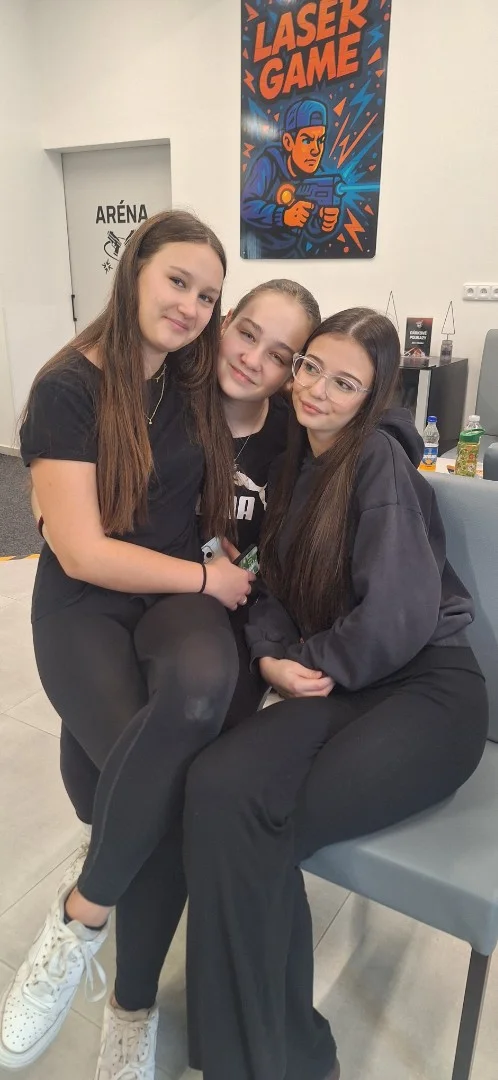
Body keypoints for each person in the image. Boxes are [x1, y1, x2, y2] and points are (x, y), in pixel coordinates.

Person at [3, 273, 320, 1078]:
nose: (252, 359)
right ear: (223, 321)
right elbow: (71, 439)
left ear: (295, 373)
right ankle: (104, 931)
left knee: (167, 791)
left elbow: (359, 439)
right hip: (117, 604)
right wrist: (52, 508)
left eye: (280, 355)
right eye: (245, 331)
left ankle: (123, 994)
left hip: (211, 624)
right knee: (147, 796)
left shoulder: (292, 435)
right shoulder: (169, 385)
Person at [181, 308, 489, 1080]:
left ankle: (280, 1059)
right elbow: (268, 583)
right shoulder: (295, 461)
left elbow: (400, 617)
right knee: (214, 786)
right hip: (339, 680)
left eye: (344, 383)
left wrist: (306, 662)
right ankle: (243, 1050)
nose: (316, 389)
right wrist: (271, 657)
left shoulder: (377, 461)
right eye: (311, 367)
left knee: (260, 828)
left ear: (372, 396)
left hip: (425, 690)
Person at [241, 98, 341, 259]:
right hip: (259, 254)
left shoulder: (318, 176)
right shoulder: (268, 163)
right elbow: (246, 206)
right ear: (288, 142)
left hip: (292, 254)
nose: (316, 150)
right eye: (307, 140)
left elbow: (311, 230)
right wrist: (283, 215)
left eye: (320, 140)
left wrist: (323, 223)